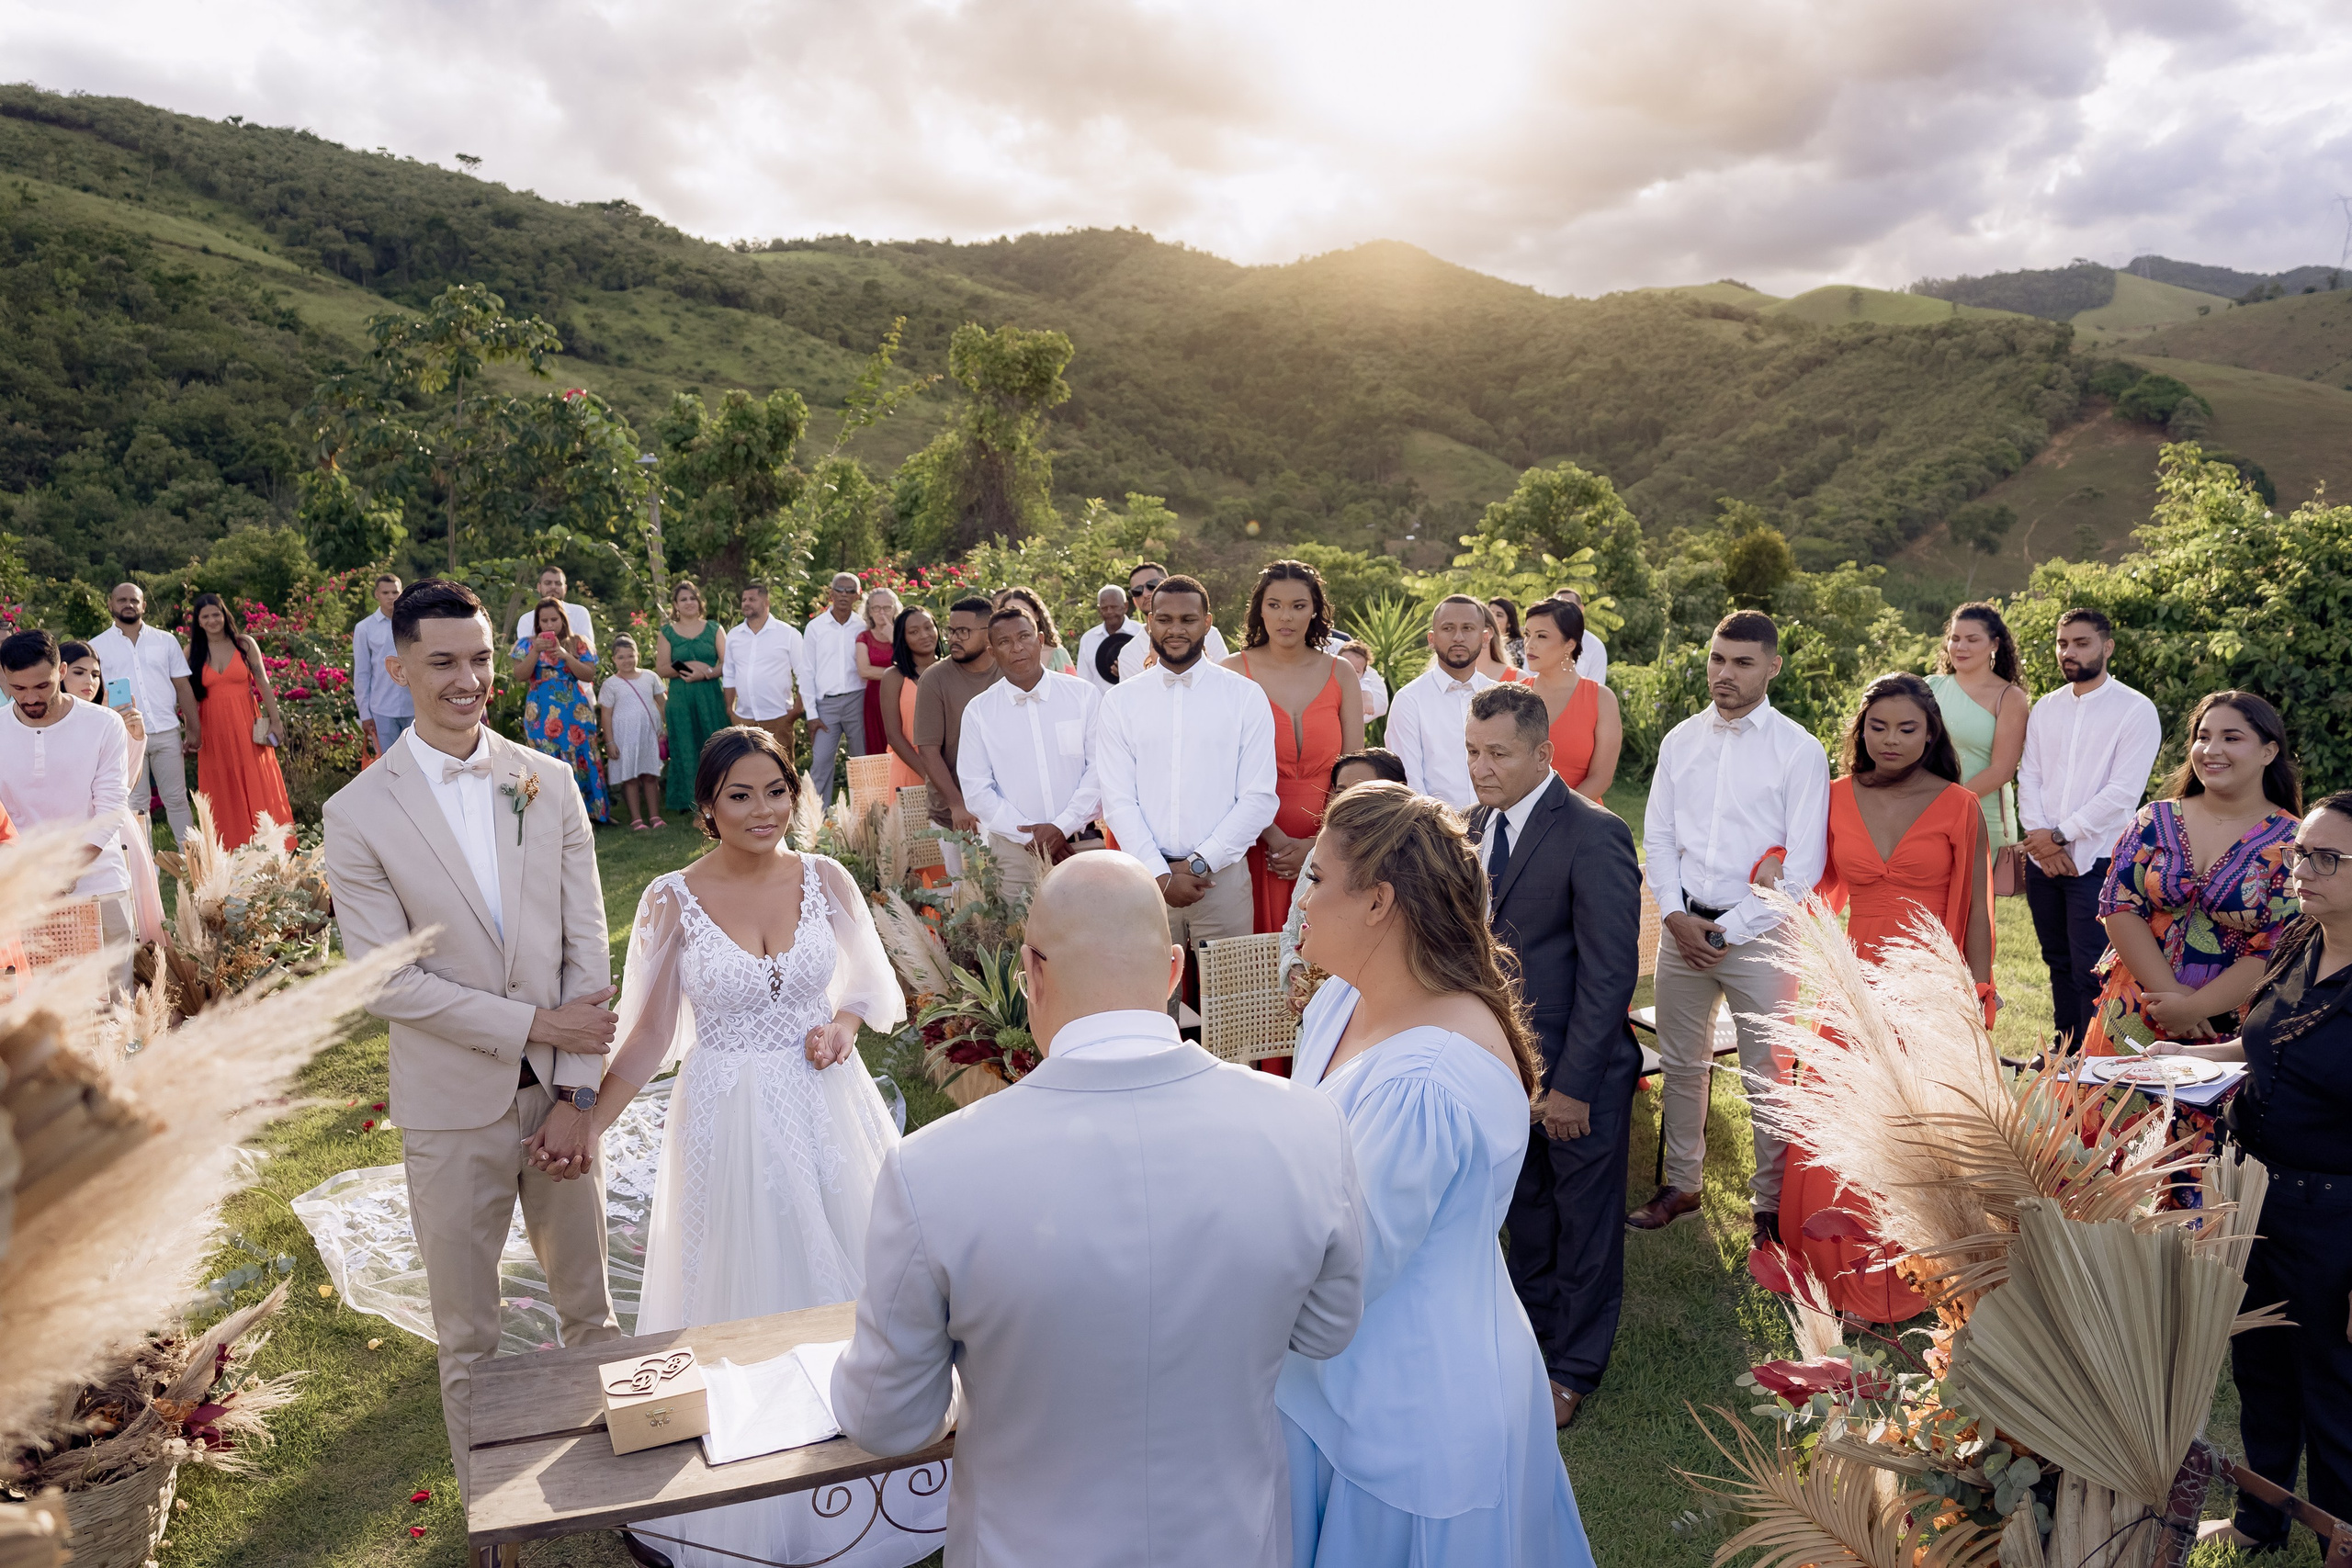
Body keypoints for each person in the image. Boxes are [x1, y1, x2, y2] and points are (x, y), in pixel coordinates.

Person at [832, 852, 1365, 1568]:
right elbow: (1326, 1330)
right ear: (1175, 970)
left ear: (1033, 973)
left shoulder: (933, 1167)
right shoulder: (1309, 1127)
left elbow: (887, 1419)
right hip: (1233, 1542)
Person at [580, 726, 937, 1568]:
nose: (763, 809)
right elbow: (650, 1035)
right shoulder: (672, 896)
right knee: (743, 1288)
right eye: (739, 794)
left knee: (858, 1273)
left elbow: (866, 989)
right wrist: (590, 1124)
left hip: (827, 1107)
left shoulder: (828, 877)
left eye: (776, 790)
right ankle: (755, 1493)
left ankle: (878, 1462)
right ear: (705, 807)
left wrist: (842, 1027)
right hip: (726, 1113)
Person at [321, 579, 620, 1504]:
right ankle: (495, 1519)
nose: (468, 680)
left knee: (594, 1318)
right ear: (398, 664)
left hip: (559, 1099)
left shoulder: (549, 780)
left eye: (482, 658)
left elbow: (587, 950)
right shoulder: (357, 813)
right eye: (444, 661)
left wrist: (576, 1097)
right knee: (469, 1336)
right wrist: (534, 1026)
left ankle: (621, 1497)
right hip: (451, 1110)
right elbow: (389, 981)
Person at [1282, 783, 1594, 1566]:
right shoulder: (1336, 1005)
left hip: (1411, 1395)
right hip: (1334, 1376)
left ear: (1380, 900)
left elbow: (1348, 1266)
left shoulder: (1428, 1081)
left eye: (1317, 877)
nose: (1299, 896)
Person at [2152, 792, 2352, 1553]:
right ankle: (2258, 1520)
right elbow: (2264, 1043)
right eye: (2300, 852)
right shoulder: (2304, 937)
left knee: (2332, 1385)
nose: (2301, 869)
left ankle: (2343, 1535)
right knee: (2260, 1366)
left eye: (2326, 858)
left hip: (2336, 1216)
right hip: (2250, 1193)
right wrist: (2183, 1059)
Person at [1778, 672, 1991, 1323]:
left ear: (1931, 734)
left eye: (1907, 728)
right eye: (1878, 727)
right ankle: (1833, 1270)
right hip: (1855, 980)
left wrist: (1976, 992)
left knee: (1915, 1127)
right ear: (1859, 731)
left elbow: (1979, 911)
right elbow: (1805, 874)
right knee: (1842, 1120)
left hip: (1926, 981)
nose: (1891, 740)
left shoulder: (1960, 804)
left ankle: (1910, 1270)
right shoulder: (1835, 796)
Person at [1464, 686, 1642, 1429]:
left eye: (1497, 753)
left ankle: (1573, 1368)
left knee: (1584, 1224)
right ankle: (1528, 1344)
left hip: (1580, 1072)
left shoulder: (1593, 833)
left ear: (1544, 753)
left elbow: (1609, 972)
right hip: (1505, 1067)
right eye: (1472, 751)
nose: (1481, 768)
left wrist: (1572, 1087)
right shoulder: (1475, 824)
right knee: (1526, 1215)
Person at [1636, 612, 1829, 1243]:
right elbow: (1659, 836)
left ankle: (1771, 1204)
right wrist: (1672, 914)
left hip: (1761, 936)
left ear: (1773, 666)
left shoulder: (1799, 750)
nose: (1725, 672)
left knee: (1767, 1074)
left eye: (1743, 662)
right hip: (1681, 924)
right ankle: (1684, 1183)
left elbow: (1803, 868)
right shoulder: (1679, 741)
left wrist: (1728, 930)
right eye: (1718, 658)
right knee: (1682, 1063)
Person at [2084, 691, 2301, 1055]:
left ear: (2269, 751)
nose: (2211, 749)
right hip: (2135, 1006)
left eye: (2231, 738)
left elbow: (2279, 943)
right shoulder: (2153, 819)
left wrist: (2194, 1009)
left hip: (2227, 1028)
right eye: (2203, 737)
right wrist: (2171, 997)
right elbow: (2119, 906)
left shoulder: (2293, 842)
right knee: (2108, 1106)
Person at [1096, 575, 1278, 960]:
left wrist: (1199, 863)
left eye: (1188, 620)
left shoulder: (1244, 696)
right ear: (1149, 622)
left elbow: (1258, 797)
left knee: (1234, 1010)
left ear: (1207, 623)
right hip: (1146, 878)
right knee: (1153, 1006)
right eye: (1164, 619)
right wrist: (1160, 876)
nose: (1175, 629)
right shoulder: (1120, 701)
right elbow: (1118, 801)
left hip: (1222, 878)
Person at [2017, 608, 2164, 1046]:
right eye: (2063, 643)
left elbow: (2123, 792)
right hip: (2044, 861)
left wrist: (2059, 836)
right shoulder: (2046, 707)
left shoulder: (2136, 709)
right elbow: (2030, 776)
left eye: (2081, 643)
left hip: (2100, 861)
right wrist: (2042, 840)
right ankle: (2062, 1059)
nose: (2069, 652)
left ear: (2107, 647)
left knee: (2090, 969)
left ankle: (2091, 1067)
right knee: (2056, 961)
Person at [1225, 560, 1363, 941]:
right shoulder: (1230, 673)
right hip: (1251, 843)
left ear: (1315, 610)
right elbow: (1220, 772)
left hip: (1328, 848)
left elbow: (1356, 775)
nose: (1286, 616)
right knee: (1249, 972)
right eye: (1274, 604)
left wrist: (1317, 844)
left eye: (1298, 605)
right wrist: (1275, 838)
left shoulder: (1341, 673)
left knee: (1316, 964)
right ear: (1259, 609)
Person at [0, 630, 136, 984]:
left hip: (99, 881)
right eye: (18, 688)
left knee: (112, 1009)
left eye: (41, 686)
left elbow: (110, 806)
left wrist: (64, 872)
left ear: (60, 671)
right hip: (23, 890)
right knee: (39, 1020)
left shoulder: (104, 724)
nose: (30, 698)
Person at [955, 604, 1103, 903]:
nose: (1017, 648)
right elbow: (976, 790)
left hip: (1081, 844)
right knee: (1025, 942)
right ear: (992, 651)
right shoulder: (979, 712)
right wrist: (1032, 837)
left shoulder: (1083, 695)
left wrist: (1062, 826)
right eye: (1005, 642)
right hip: (1015, 856)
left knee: (1096, 938)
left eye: (1024, 636)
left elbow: (1101, 768)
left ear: (1041, 639)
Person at [1279, 749, 1410, 1014]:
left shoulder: (1407, 864)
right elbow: (1291, 932)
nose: (1348, 799)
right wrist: (1298, 974)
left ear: (1397, 792)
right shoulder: (1316, 855)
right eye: (1340, 790)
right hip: (1318, 1012)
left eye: (1361, 789)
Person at [59, 641, 164, 943]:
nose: (89, 681)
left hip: (118, 828)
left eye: (95, 674)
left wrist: (136, 738)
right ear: (60, 673)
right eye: (79, 672)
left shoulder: (111, 722)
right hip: (72, 830)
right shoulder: (51, 723)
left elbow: (127, 784)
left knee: (131, 926)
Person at [90, 580, 198, 845]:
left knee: (176, 798)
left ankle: (192, 861)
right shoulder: (96, 646)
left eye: (134, 600)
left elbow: (182, 686)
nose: (128, 604)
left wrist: (194, 728)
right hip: (124, 736)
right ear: (110, 604)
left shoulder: (166, 640)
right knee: (135, 803)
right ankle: (146, 868)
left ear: (144, 605)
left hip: (166, 731)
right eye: (122, 600)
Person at [187, 592, 297, 850]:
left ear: (225, 615)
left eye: (217, 614)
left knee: (257, 779)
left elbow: (263, 682)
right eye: (206, 616)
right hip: (213, 731)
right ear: (199, 622)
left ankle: (271, 844)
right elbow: (186, 695)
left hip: (247, 726)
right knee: (222, 787)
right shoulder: (191, 653)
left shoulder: (244, 644)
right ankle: (232, 848)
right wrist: (190, 732)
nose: (213, 620)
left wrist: (276, 721)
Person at [1927, 603, 2030, 855]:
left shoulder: (2009, 697)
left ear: (1994, 644)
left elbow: (2002, 770)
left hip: (1982, 817)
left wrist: (1948, 803)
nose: (1961, 647)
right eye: (1955, 638)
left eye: (1972, 639)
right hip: (1923, 814)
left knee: (1974, 895)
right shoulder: (1929, 687)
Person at [1385, 595, 1497, 809]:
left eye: (1468, 628)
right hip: (1434, 832)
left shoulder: (1500, 696)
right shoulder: (1409, 700)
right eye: (1448, 628)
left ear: (1484, 638)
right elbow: (1409, 785)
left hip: (1499, 829)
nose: (1458, 637)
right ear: (1431, 638)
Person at [910, 597, 1002, 852]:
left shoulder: (1009, 673)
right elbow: (928, 750)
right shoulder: (935, 679)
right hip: (955, 814)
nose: (953, 638)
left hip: (1007, 807)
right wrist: (957, 804)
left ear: (989, 634)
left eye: (963, 631)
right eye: (951, 631)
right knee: (964, 889)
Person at [511, 598, 611, 826]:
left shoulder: (578, 643)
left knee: (581, 754)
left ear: (563, 619)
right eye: (543, 620)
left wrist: (566, 655)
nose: (549, 625)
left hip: (575, 711)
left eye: (553, 619)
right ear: (537, 622)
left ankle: (589, 814)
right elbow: (520, 675)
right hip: (540, 712)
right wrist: (535, 651)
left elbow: (588, 675)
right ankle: (551, 818)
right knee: (544, 759)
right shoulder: (526, 644)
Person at [1518, 598, 1622, 801]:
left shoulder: (1601, 699)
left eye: (1542, 636)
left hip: (1580, 820)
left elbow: (1601, 778)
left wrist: (1554, 816)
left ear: (1569, 644)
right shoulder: (1514, 696)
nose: (1529, 644)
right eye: (1527, 634)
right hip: (1517, 820)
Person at [656, 579, 729, 817]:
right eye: (683, 599)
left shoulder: (714, 628)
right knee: (685, 745)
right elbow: (662, 669)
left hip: (709, 695)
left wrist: (705, 674)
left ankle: (722, 796)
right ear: (675, 605)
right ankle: (691, 801)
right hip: (680, 698)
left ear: (700, 602)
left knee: (715, 744)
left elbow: (727, 664)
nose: (689, 603)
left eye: (693, 598)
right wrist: (688, 668)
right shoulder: (667, 632)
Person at [802, 572, 869, 804]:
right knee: (821, 762)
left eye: (850, 590)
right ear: (830, 593)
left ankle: (866, 819)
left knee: (862, 761)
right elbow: (806, 672)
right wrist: (811, 714)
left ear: (857, 595)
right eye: (839, 589)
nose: (844, 594)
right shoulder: (815, 627)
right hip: (826, 705)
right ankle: (814, 824)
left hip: (857, 700)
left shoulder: (863, 627)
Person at [723, 581, 807, 761]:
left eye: (752, 599)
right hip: (744, 720)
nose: (746, 603)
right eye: (744, 599)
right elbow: (729, 674)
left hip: (778, 717)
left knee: (783, 771)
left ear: (766, 602)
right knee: (746, 771)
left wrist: (796, 710)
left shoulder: (788, 634)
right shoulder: (734, 636)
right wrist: (731, 711)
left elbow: (804, 674)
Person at [598, 636, 667, 832]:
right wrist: (610, 741)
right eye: (621, 657)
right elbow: (606, 714)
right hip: (624, 737)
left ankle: (655, 816)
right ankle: (636, 819)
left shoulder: (650, 677)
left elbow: (662, 702)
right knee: (630, 777)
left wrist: (664, 727)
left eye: (631, 655)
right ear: (614, 659)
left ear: (638, 655)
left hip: (648, 734)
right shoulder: (611, 684)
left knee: (650, 774)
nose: (627, 660)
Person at [1116, 560, 1230, 678]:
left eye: (1152, 585)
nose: (1145, 593)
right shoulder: (1128, 654)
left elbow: (1223, 682)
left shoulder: (1211, 634)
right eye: (1137, 591)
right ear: (1134, 601)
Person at [352, 571, 413, 760]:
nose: (391, 597)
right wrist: (365, 713)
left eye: (395, 592)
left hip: (414, 705)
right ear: (377, 595)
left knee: (418, 761)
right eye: (386, 593)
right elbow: (362, 672)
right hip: (382, 708)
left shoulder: (413, 624)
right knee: (390, 763)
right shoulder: (364, 628)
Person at [878, 604, 939, 793]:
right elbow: (894, 736)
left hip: (950, 770)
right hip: (910, 768)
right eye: (914, 632)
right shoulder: (894, 677)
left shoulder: (952, 670)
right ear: (903, 639)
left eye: (928, 627)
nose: (924, 635)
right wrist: (932, 776)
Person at [854, 584, 901, 757]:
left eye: (887, 607)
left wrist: (893, 639)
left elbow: (912, 665)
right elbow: (865, 671)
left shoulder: (903, 635)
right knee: (878, 747)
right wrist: (898, 672)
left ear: (894, 609)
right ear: (869, 611)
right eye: (876, 608)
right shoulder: (864, 637)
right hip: (875, 699)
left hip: (902, 696)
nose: (882, 613)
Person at [993, 585, 1075, 673]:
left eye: (1024, 612)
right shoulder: (998, 657)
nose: (1017, 619)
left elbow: (1073, 686)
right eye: (1010, 614)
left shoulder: (1057, 654)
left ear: (1037, 615)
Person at [1075, 583, 1132, 691]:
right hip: (1101, 705)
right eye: (1104, 608)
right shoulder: (1088, 639)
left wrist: (1127, 672)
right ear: (1099, 609)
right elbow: (1084, 681)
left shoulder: (1140, 633)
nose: (1109, 612)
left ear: (1125, 606)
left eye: (1114, 607)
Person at [1552, 588, 1608, 684]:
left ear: (1581, 609)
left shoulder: (1595, 646)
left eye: (1569, 607)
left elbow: (1595, 687)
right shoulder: (1541, 641)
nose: (1562, 612)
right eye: (1556, 607)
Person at [1337, 640, 1389, 721]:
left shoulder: (1360, 684)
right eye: (1347, 667)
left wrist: (1367, 703)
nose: (1351, 673)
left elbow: (1366, 692)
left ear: (1363, 674)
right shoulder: (1329, 678)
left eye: (1357, 671)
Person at [1475, 609, 1524, 684]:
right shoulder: (1453, 679)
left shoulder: (1518, 678)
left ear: (1488, 633)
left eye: (1467, 628)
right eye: (1450, 628)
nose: (1458, 636)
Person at [1488, 596, 1526, 669]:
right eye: (1490, 613)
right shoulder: (1481, 644)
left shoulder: (1521, 645)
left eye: (1499, 615)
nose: (1493, 617)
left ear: (1509, 623)